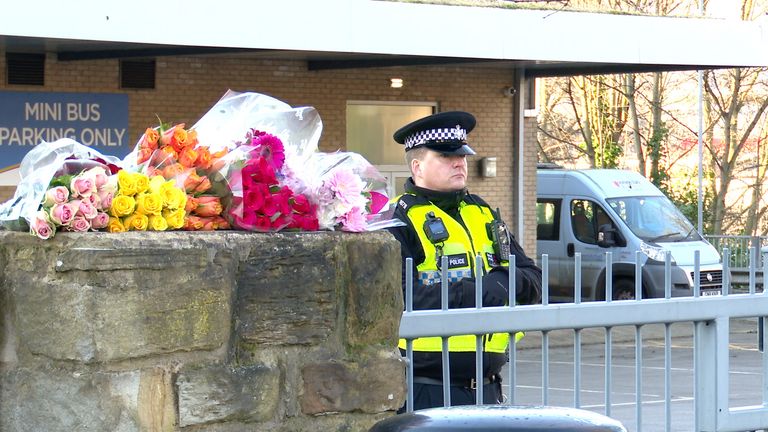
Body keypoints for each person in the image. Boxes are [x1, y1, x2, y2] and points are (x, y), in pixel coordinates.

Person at [387, 111, 542, 411]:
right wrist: (477, 291)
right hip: (426, 390)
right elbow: (399, 297)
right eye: (446, 157)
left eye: (462, 156)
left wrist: (505, 283)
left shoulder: (482, 214)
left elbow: (533, 277)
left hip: (487, 388)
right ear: (417, 166)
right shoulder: (398, 219)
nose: (459, 162)